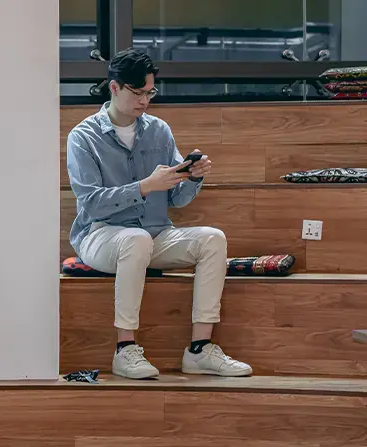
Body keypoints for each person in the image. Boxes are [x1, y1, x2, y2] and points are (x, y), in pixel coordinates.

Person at [65, 49, 253, 380]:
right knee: (135, 240)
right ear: (114, 88)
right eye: (137, 93)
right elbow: (92, 203)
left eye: (149, 92)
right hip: (100, 235)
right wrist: (144, 185)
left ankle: (200, 350)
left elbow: (177, 200)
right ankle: (125, 350)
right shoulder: (83, 137)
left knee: (213, 239)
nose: (144, 101)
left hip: (155, 234)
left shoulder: (159, 131)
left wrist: (192, 176)